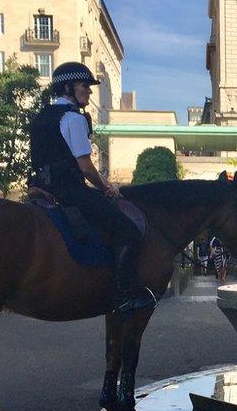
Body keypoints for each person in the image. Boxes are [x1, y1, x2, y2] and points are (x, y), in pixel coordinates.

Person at [28, 62, 156, 314]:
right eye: (84, 86)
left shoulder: (41, 117)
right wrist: (106, 187)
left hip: (42, 188)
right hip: (70, 191)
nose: (89, 91)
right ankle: (124, 295)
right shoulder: (72, 118)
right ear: (68, 87)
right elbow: (85, 167)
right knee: (127, 230)